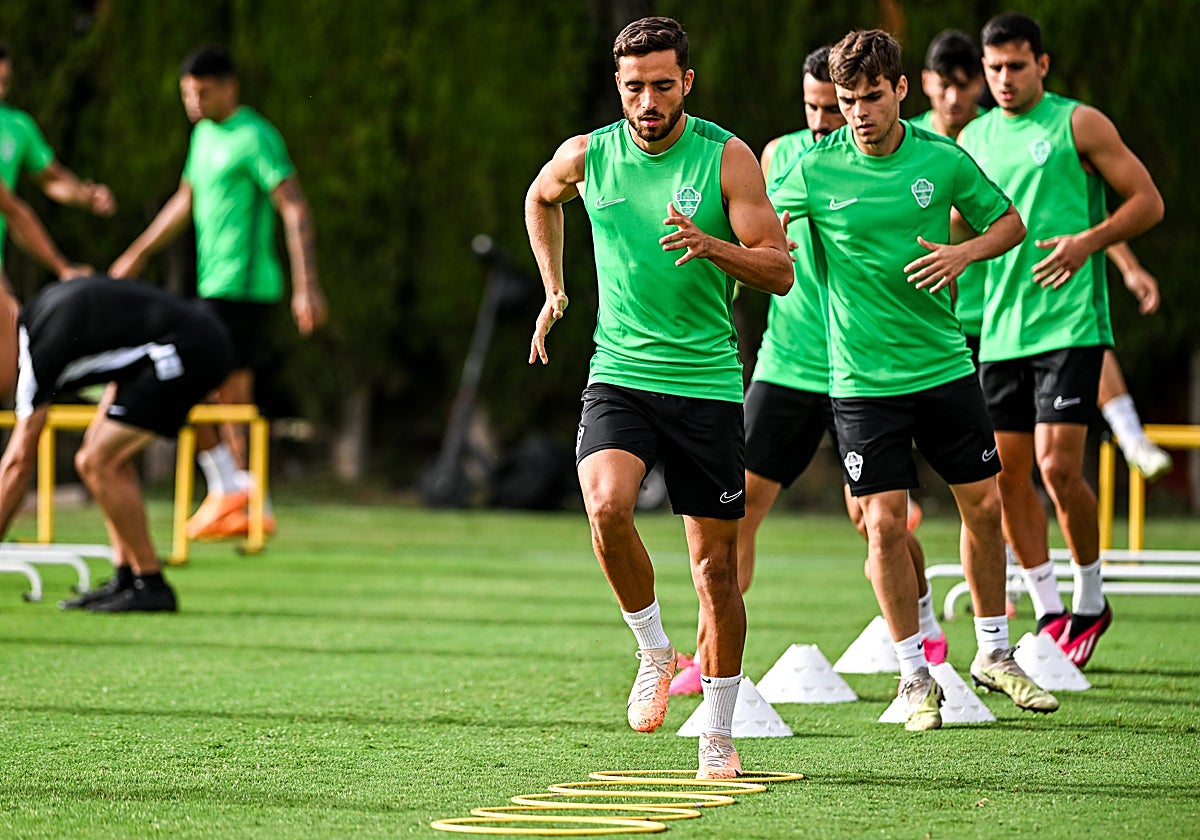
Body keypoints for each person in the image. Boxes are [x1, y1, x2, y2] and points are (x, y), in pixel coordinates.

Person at [525, 17, 792, 778]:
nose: (649, 100)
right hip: (620, 374)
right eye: (635, 86)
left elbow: (779, 270)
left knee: (715, 570)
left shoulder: (726, 157)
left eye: (663, 85)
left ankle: (718, 732)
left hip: (705, 383)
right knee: (605, 505)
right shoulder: (589, 155)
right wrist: (555, 289)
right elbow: (540, 200)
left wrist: (714, 247)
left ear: (687, 83)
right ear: (619, 85)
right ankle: (652, 649)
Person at [770, 29, 1057, 731]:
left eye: (872, 97)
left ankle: (994, 652)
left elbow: (1011, 223)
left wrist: (965, 253)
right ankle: (912, 675)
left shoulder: (942, 159)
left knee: (984, 508)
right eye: (847, 101)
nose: (859, 112)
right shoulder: (812, 169)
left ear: (902, 90)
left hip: (943, 368)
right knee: (884, 526)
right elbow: (763, 231)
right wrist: (748, 246)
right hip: (862, 381)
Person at [670, 45, 947, 700]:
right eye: (814, 108)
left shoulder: (883, 159)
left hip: (863, 364)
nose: (823, 121)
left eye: (835, 108)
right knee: (738, 506)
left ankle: (925, 626)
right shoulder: (775, 156)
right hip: (790, 362)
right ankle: (711, 651)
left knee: (875, 518)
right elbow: (760, 250)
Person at [958, 13, 1164, 666]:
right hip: (1001, 329)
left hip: (1072, 324)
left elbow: (1147, 201)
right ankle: (1049, 610)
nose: (1005, 79)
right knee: (1007, 478)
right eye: (994, 69)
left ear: (1041, 65)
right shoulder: (974, 136)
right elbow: (959, 217)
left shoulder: (1079, 124)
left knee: (1056, 468)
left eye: (1017, 66)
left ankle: (1090, 596)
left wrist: (1088, 244)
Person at [912, 29, 1171, 485]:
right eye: (943, 84)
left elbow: (1073, 208)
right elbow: (934, 219)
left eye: (965, 83)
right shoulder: (910, 142)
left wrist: (1128, 267)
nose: (954, 96)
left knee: (1055, 454)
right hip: (956, 316)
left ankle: (1130, 433)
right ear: (924, 83)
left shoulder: (1017, 130)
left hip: (1013, 303)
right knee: (994, 470)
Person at [110, 44, 326, 540]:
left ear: (230, 87)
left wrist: (306, 286)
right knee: (221, 393)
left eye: (203, 91)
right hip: (214, 286)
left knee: (208, 387)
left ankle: (237, 492)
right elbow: (184, 200)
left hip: (245, 287)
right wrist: (138, 253)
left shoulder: (255, 136)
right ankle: (244, 497)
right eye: (188, 93)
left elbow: (294, 206)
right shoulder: (202, 136)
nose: (194, 102)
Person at [0, 275, 233, 612]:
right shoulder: (41, 313)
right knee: (102, 454)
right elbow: (123, 345)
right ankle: (129, 576)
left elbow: (17, 464)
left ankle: (151, 583)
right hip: (183, 342)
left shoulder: (38, 352)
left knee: (95, 461)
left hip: (189, 347)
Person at [0, 43, 116, 285]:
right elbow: (15, 212)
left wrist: (86, 196)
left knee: (13, 319)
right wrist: (61, 266)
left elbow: (52, 179)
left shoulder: (18, 126)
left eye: (3, 82)